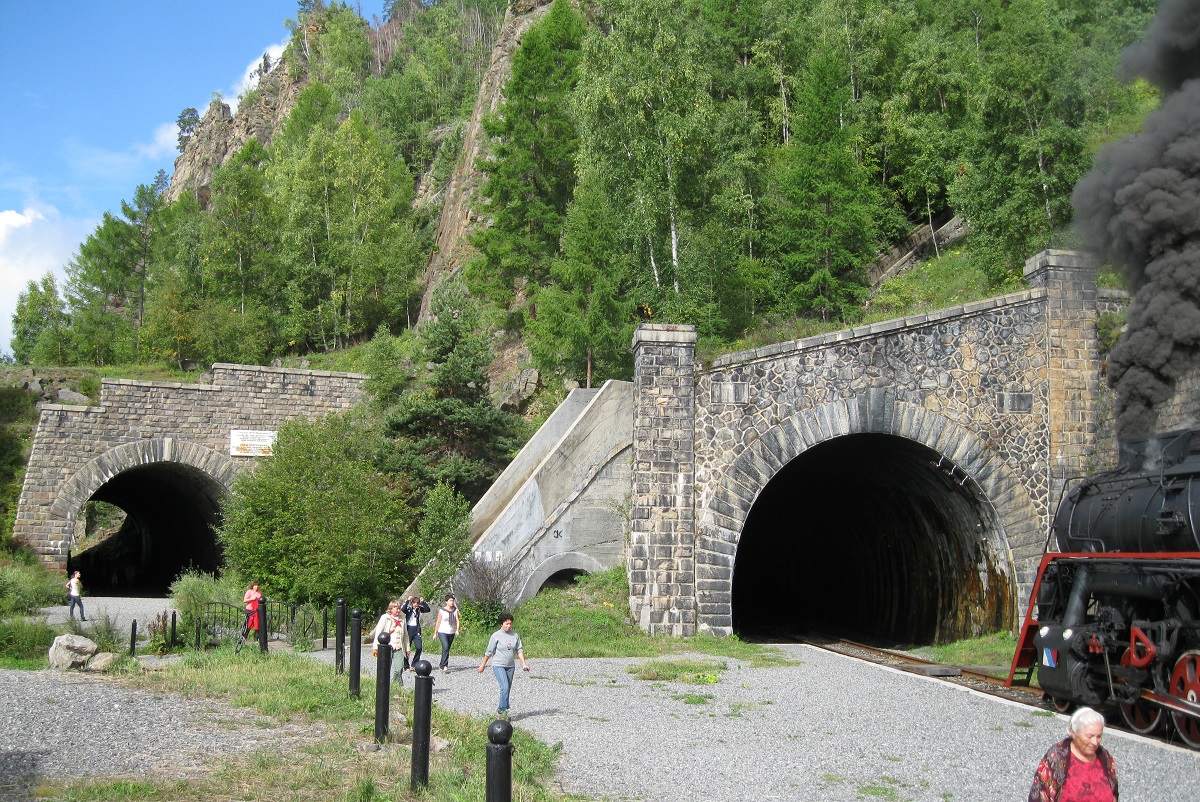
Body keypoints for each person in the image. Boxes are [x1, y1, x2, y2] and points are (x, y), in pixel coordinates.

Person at [1028, 707, 1119, 802]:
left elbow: (1113, 793)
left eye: (1099, 736)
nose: (1095, 742)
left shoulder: (1104, 757)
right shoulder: (1057, 758)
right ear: (1074, 733)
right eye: (1089, 736)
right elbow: (1040, 795)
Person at [477, 612, 529, 717]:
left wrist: (524, 663)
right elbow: (489, 651)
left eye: (510, 624)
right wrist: (482, 665)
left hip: (510, 666)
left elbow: (519, 649)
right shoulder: (496, 636)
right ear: (501, 624)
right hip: (498, 665)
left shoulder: (515, 635)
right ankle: (503, 711)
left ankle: (501, 710)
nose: (509, 626)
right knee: (504, 686)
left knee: (507, 688)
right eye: (506, 624)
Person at [370, 600, 405, 682]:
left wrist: (407, 648)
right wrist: (375, 647)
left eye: (399, 608)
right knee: (385, 668)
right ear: (391, 609)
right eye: (396, 608)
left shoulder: (402, 619)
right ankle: (383, 684)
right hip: (387, 646)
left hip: (399, 646)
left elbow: (405, 635)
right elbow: (378, 633)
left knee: (399, 668)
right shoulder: (385, 618)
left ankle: (396, 685)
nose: (398, 610)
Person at [400, 595, 431, 670]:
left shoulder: (419, 609)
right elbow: (403, 609)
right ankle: (406, 665)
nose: (416, 606)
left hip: (416, 629)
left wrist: (423, 602)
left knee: (419, 647)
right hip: (408, 628)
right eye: (415, 604)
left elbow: (428, 609)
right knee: (407, 647)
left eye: (418, 604)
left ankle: (414, 663)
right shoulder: (409, 608)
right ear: (412, 603)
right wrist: (407, 600)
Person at [434, 594, 460, 673]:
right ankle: (444, 665)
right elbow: (438, 622)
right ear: (446, 602)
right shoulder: (442, 610)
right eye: (450, 601)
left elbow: (457, 621)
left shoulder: (455, 610)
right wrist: (435, 633)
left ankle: (442, 664)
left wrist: (457, 630)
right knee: (445, 646)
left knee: (447, 648)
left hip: (451, 631)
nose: (452, 602)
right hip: (442, 631)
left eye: (452, 601)